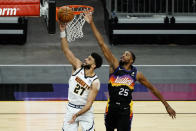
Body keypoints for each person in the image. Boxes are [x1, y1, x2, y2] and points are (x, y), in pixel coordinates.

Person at [84, 11, 176, 131]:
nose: (123, 55)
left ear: (131, 60)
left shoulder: (136, 74)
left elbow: (153, 89)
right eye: (123, 54)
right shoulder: (115, 66)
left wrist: (167, 105)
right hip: (111, 108)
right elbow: (102, 44)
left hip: (125, 111)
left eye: (126, 55)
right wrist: (91, 23)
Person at [59, 21, 103, 131]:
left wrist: (77, 115)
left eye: (88, 59)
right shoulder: (77, 66)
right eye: (87, 57)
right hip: (71, 108)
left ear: (93, 65)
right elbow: (66, 50)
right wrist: (63, 31)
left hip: (85, 112)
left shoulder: (95, 82)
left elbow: (88, 105)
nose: (85, 59)